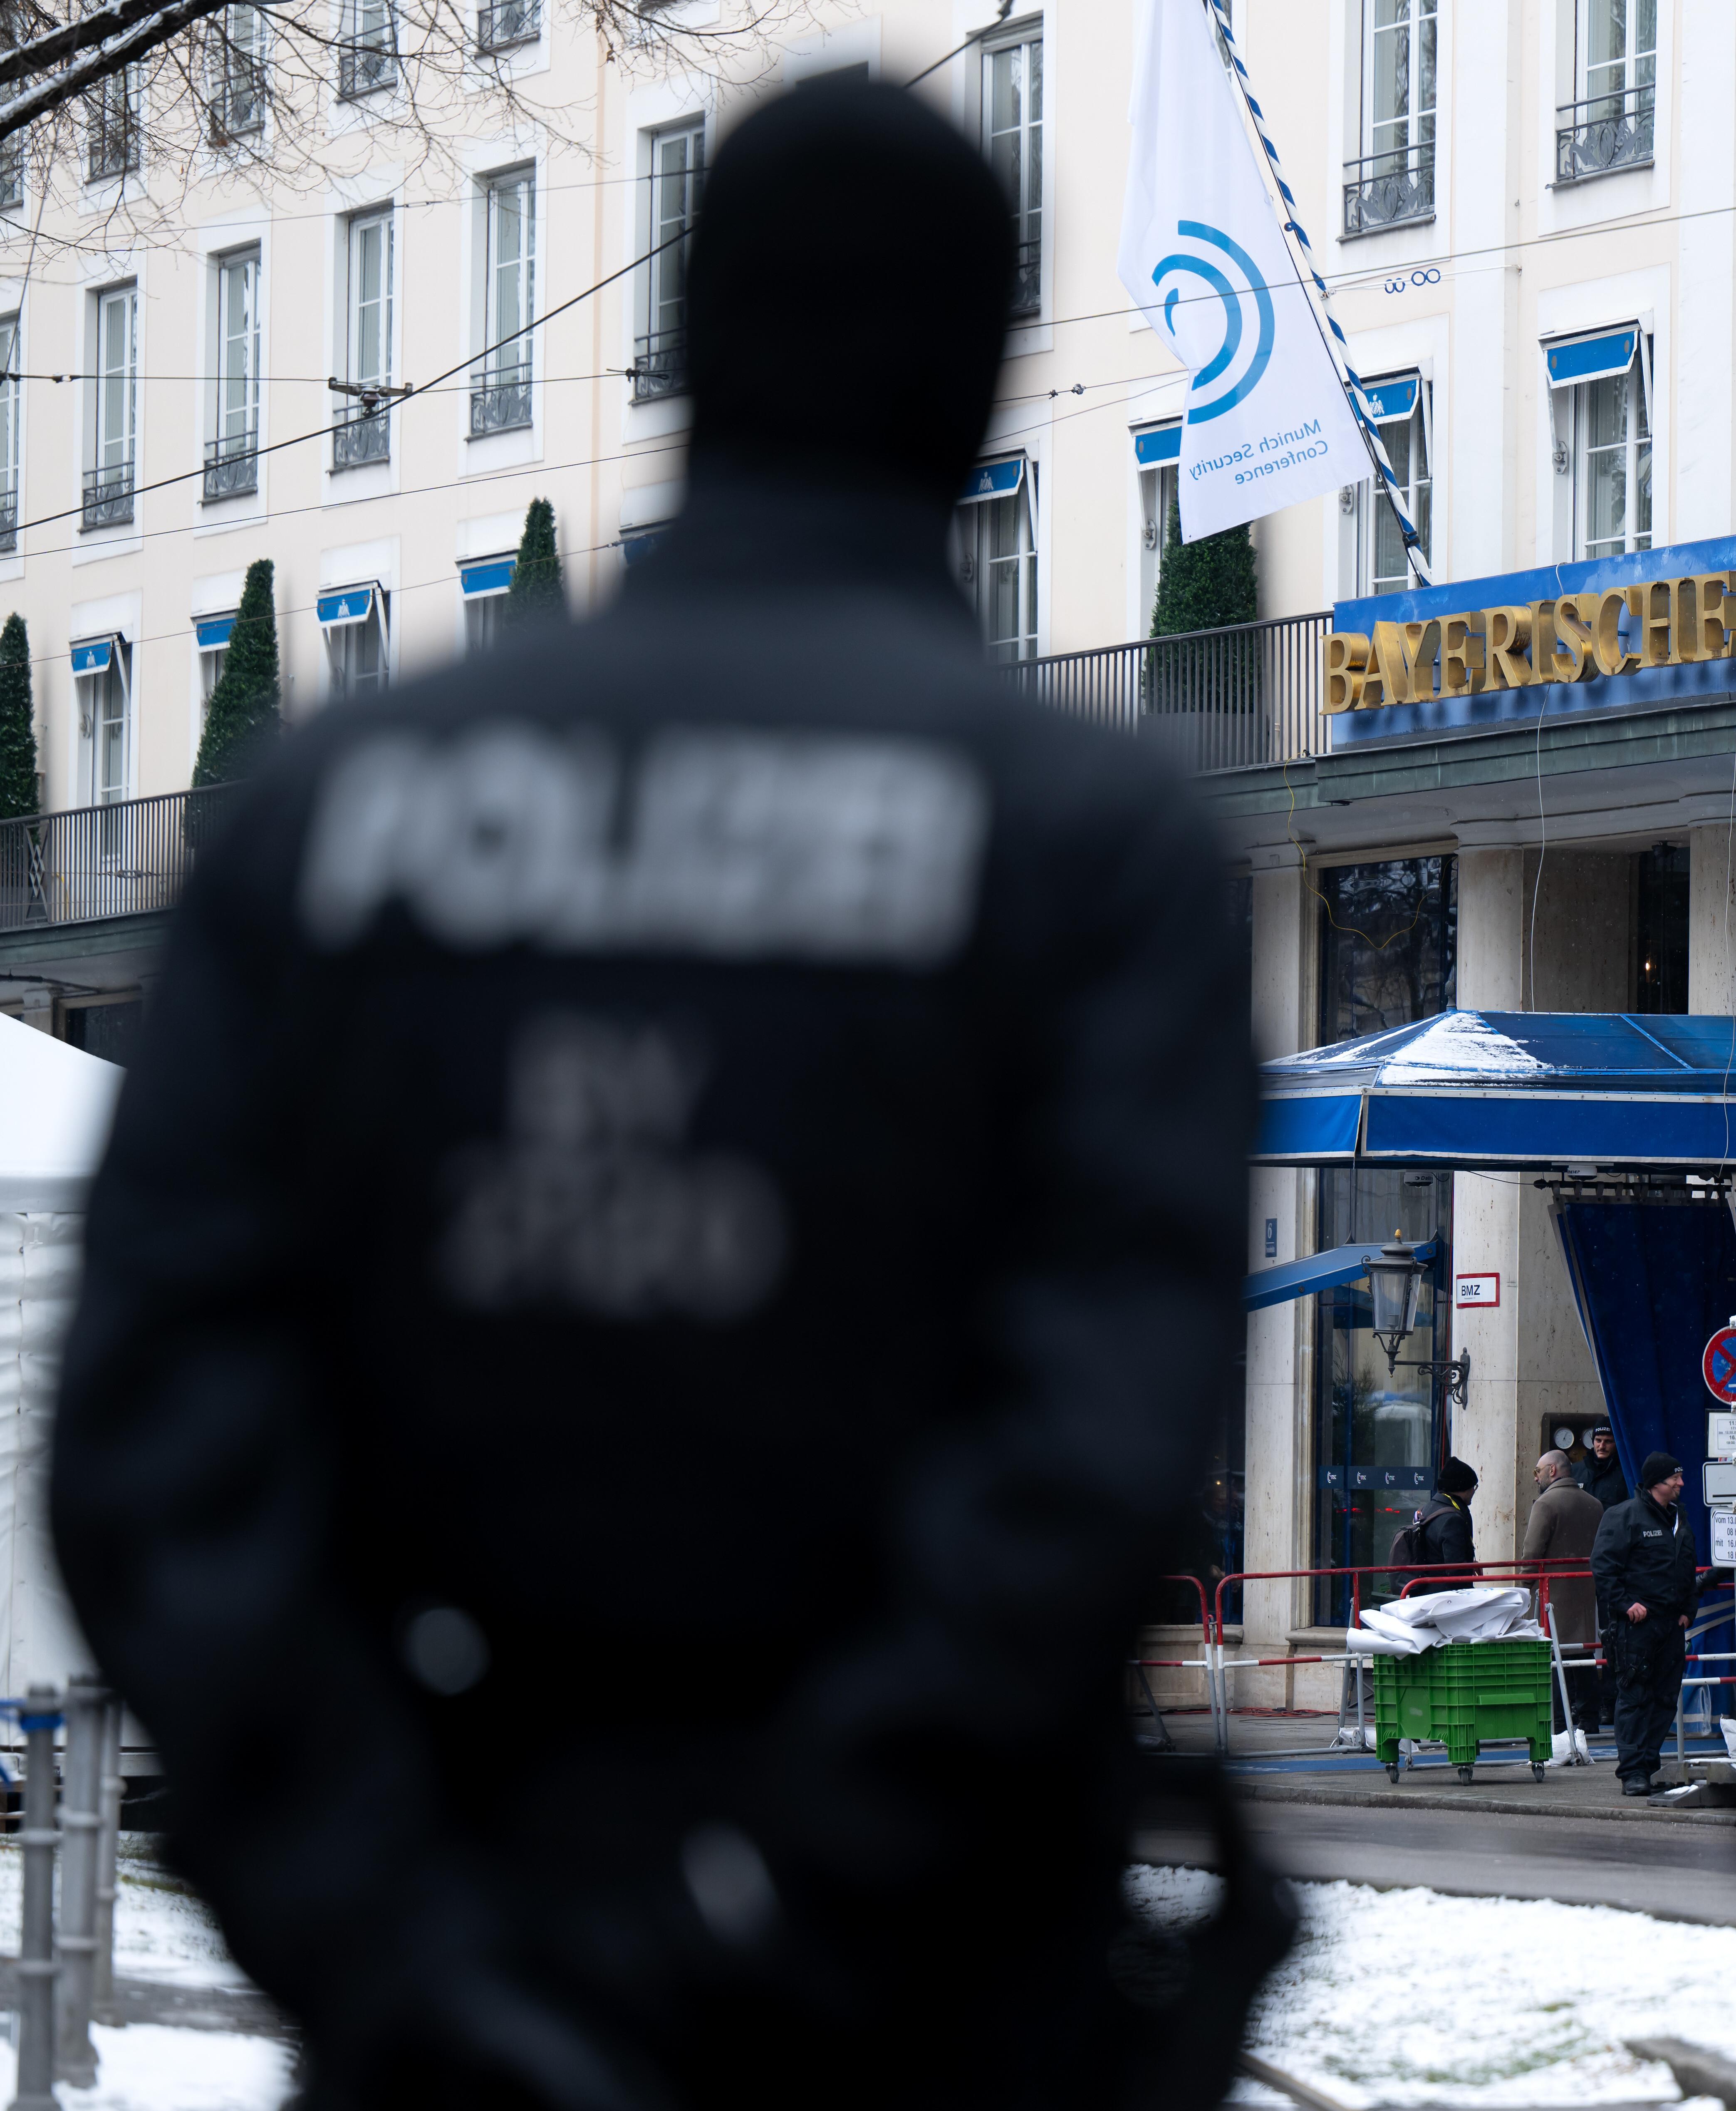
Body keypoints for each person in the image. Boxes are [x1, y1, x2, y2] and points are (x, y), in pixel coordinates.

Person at [47, 81, 1285, 2111]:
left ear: (678, 344)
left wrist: (395, 1930)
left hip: (461, 1948)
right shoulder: (1091, 850)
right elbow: (1089, 1463)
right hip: (918, 2004)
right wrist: (765, 1885)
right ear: (984, 380)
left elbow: (157, 1451)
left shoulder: (336, 815)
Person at [1590, 1452, 1697, 1796]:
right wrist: (1624, 1605)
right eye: (1674, 1479)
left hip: (1671, 1625)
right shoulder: (1623, 1517)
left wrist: (1688, 1609)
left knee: (1665, 1697)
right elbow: (1603, 1568)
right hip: (1636, 1627)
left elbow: (1688, 1566)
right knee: (1635, 1696)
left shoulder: (1679, 1518)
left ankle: (1649, 1765)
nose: (1681, 1483)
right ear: (1656, 1483)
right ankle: (1633, 1771)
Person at [1518, 1449, 1605, 1736]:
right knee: (1585, 1654)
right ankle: (1590, 1719)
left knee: (1555, 1656)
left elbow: (1532, 1554)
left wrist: (1524, 1586)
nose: (1536, 1477)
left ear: (1552, 1471)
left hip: (1553, 1594)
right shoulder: (1595, 1504)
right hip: (1587, 1591)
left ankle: (1557, 1722)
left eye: (1538, 1471)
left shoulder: (1545, 1504)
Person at [1395, 1457, 1480, 1588]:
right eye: (1474, 1487)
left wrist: (1469, 1564)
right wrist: (1466, 1570)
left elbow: (1435, 1553)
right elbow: (1456, 1571)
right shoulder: (1452, 1519)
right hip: (1444, 1599)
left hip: (1424, 1591)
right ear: (1463, 1487)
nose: (1474, 1491)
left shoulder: (1428, 1508)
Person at [1573, 1422, 1633, 1512]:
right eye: (1598, 1440)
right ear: (1593, 1442)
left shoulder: (1626, 1475)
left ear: (1617, 1444)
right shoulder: (1575, 1471)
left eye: (1608, 1441)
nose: (1602, 1446)